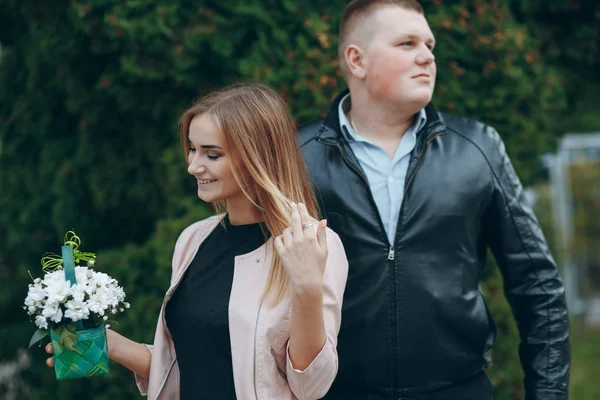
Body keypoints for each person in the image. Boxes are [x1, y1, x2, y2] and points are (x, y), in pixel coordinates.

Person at [298, 1, 570, 399]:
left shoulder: (478, 148)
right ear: (356, 60)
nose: (427, 56)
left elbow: (537, 285)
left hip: (459, 390)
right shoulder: (297, 157)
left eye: (430, 45)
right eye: (407, 43)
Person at [46, 83, 349, 400]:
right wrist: (110, 344)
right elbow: (188, 370)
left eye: (212, 154)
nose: (193, 166)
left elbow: (311, 386)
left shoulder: (313, 244)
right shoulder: (193, 240)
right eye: (192, 149)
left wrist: (307, 286)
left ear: (258, 156)